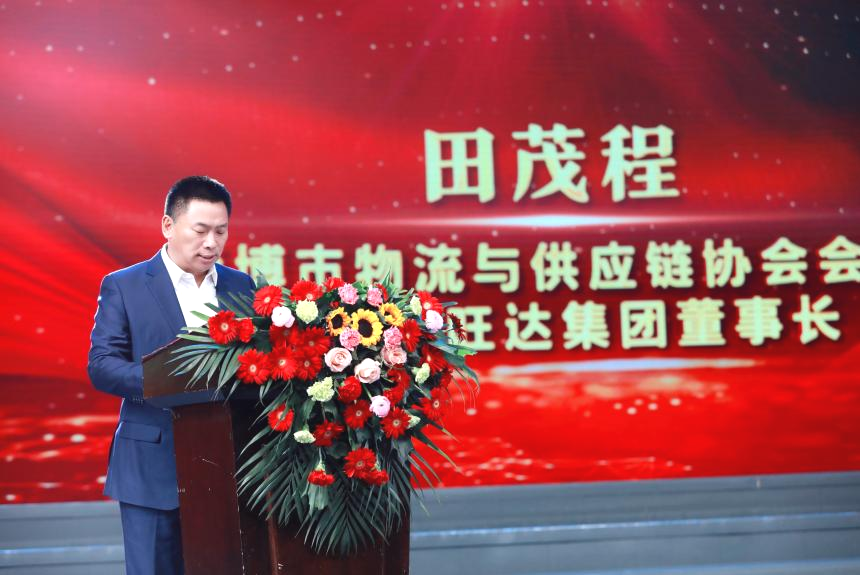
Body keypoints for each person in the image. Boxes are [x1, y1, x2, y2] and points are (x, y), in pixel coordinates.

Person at [87, 176, 256, 575]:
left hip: (225, 466)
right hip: (151, 464)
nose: (211, 243)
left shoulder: (240, 285)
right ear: (168, 225)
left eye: (221, 231)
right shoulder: (124, 285)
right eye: (200, 230)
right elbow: (102, 365)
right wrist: (171, 381)